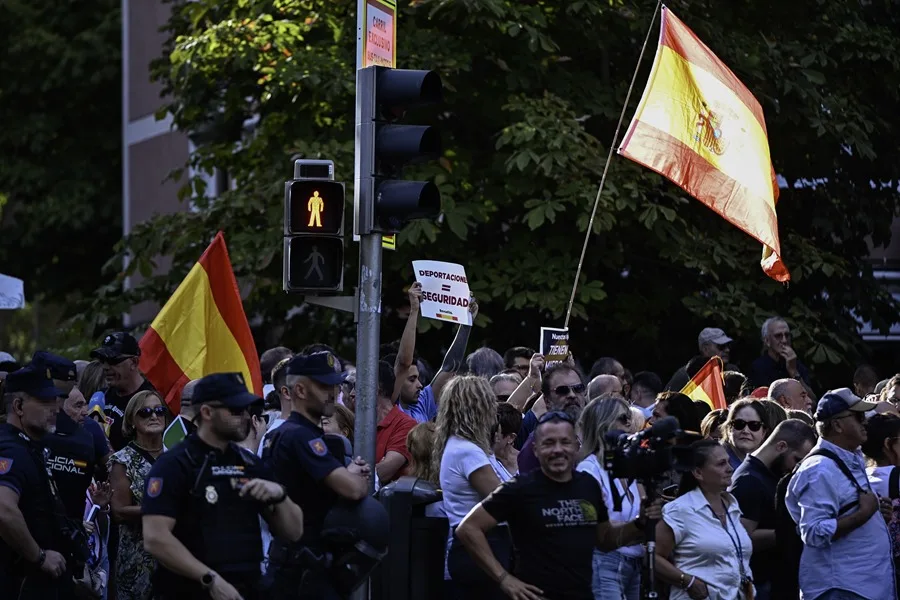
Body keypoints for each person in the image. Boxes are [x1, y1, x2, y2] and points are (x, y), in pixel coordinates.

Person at [455, 411, 661, 600]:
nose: (558, 450)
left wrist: (639, 524)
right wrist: (504, 579)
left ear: (575, 445)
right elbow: (468, 528)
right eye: (549, 443)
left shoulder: (588, 485)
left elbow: (604, 539)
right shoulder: (520, 489)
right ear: (535, 449)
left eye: (564, 442)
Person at [142, 372, 303, 600]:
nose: (246, 417)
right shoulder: (175, 464)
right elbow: (155, 538)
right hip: (190, 591)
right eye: (235, 411)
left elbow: (294, 532)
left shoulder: (249, 463)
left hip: (246, 588)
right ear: (207, 413)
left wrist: (280, 496)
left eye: (248, 410)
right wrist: (209, 579)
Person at [266, 352, 371, 600]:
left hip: (295, 563)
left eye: (335, 384)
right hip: (303, 568)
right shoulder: (301, 437)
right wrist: (352, 474)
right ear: (300, 390)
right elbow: (353, 489)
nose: (334, 392)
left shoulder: (286, 433)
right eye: (324, 385)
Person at [785, 388, 895, 600]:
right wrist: (863, 514)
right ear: (837, 425)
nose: (865, 422)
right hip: (842, 589)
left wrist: (876, 514)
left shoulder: (847, 459)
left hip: (861, 586)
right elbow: (813, 532)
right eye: (858, 416)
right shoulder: (819, 470)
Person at [0, 366, 72, 598]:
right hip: (19, 582)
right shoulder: (11, 449)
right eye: (44, 401)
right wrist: (39, 556)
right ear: (18, 406)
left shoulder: (29, 446)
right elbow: (3, 509)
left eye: (55, 400)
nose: (55, 408)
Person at [655, 440, 755, 600]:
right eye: (721, 464)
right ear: (698, 473)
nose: (730, 469)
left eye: (729, 462)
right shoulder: (680, 509)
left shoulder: (732, 505)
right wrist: (687, 581)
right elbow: (653, 556)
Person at [728, 420, 816, 600]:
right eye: (797, 460)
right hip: (761, 585)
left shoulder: (770, 475)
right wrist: (795, 530)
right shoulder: (748, 480)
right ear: (782, 446)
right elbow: (742, 538)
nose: (796, 468)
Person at [435, 376, 505, 600]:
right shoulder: (467, 451)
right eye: (489, 403)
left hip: (471, 549)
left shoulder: (457, 446)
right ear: (478, 407)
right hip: (480, 549)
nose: (494, 410)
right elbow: (503, 500)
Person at [576, 394, 644, 600]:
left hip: (635, 563)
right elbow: (597, 529)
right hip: (605, 562)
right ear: (604, 424)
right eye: (624, 418)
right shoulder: (589, 469)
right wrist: (637, 526)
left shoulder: (627, 467)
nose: (630, 424)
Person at [108, 390, 166, 600]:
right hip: (138, 559)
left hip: (173, 555)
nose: (154, 416)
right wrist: (163, 510)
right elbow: (119, 511)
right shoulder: (122, 460)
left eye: (159, 411)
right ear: (132, 420)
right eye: (145, 412)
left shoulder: (175, 455)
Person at [393, 283, 476, 423]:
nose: (419, 385)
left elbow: (450, 367)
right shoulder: (389, 408)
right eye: (412, 379)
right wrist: (414, 311)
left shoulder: (422, 404)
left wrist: (466, 322)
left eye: (418, 378)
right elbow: (403, 362)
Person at [90, 332, 156, 452]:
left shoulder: (151, 400)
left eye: (112, 360)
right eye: (102, 360)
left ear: (134, 362)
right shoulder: (101, 396)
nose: (105, 367)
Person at [517, 363, 587, 474]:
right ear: (547, 401)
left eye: (578, 389)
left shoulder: (595, 434)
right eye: (562, 390)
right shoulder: (536, 442)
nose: (572, 395)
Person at [721, 399, 770, 471]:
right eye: (739, 424)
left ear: (764, 432)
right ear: (729, 428)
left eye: (754, 425)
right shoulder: (714, 460)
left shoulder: (770, 465)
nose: (746, 431)